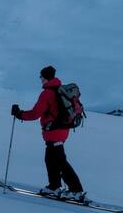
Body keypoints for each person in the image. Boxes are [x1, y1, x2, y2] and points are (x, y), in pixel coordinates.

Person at [11, 65, 85, 202]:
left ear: (45, 78)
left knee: (60, 162)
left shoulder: (47, 93)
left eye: (41, 77)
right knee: (51, 159)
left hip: (54, 131)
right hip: (62, 130)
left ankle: (76, 190)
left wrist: (19, 114)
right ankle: (54, 186)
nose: (40, 79)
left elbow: (35, 114)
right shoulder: (60, 90)